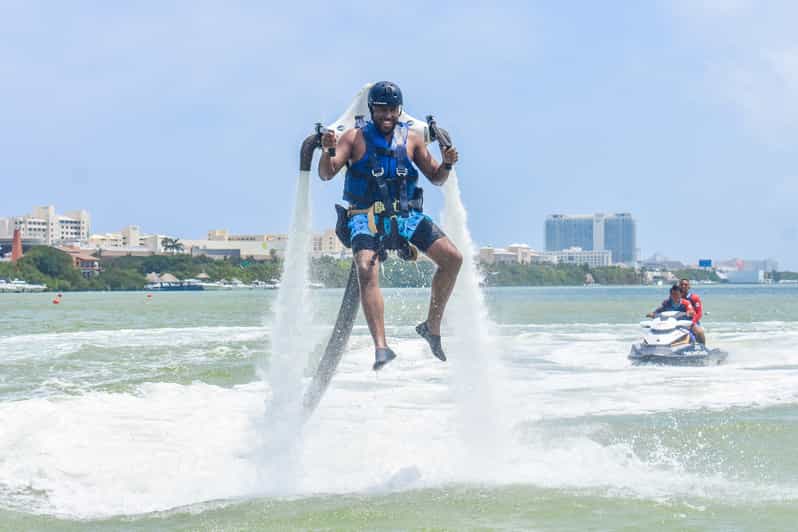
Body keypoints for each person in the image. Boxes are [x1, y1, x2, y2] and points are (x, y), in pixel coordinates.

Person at [318, 81, 462, 371]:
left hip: (405, 217)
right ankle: (381, 346)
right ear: (372, 109)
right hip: (365, 216)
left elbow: (435, 177)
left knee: (453, 258)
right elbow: (326, 174)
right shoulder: (353, 138)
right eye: (381, 109)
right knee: (365, 269)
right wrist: (326, 151)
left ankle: (431, 326)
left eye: (392, 110)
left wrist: (446, 165)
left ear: (399, 110)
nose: (387, 115)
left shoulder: (412, 139)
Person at [679, 278, 706, 344]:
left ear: (689, 287)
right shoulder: (675, 298)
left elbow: (699, 313)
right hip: (678, 322)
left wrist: (692, 323)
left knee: (700, 332)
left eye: (685, 284)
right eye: (681, 284)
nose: (683, 286)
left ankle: (703, 348)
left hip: (691, 321)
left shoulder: (694, 298)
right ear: (679, 286)